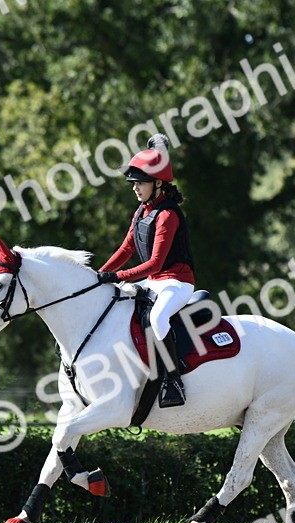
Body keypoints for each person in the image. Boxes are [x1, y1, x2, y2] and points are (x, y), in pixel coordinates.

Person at [97, 134, 195, 408]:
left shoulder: (168, 215)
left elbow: (154, 264)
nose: (135, 189)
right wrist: (97, 275)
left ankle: (173, 380)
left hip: (177, 282)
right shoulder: (142, 211)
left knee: (158, 317)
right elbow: (126, 249)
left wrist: (115, 277)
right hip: (154, 282)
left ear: (158, 183)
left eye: (140, 183)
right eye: (133, 183)